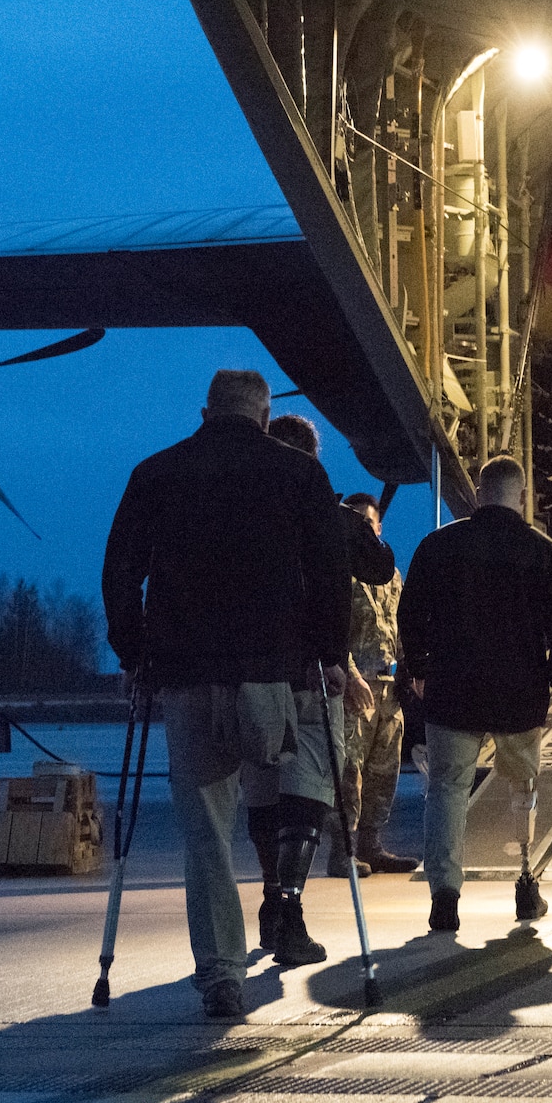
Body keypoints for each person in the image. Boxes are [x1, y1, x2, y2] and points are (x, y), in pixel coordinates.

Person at [102, 370, 351, 1018]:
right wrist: (331, 655)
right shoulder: (300, 475)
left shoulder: (158, 472)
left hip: (188, 677)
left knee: (207, 829)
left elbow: (120, 571)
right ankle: (285, 902)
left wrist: (133, 654)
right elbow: (331, 571)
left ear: (205, 409)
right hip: (272, 676)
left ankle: (221, 973)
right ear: (266, 415)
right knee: (289, 778)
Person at [398, 456, 552, 933]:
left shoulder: (437, 546)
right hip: (518, 693)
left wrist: (417, 667)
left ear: (479, 492)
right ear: (521, 496)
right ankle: (525, 884)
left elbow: (411, 612)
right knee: (523, 787)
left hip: (452, 689)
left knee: (446, 790)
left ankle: (445, 895)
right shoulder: (544, 553)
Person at [261, 412, 395, 885]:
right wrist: (354, 525)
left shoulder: (242, 512)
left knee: (262, 789)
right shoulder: (331, 519)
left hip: (254, 670)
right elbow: (379, 564)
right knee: (318, 783)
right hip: (317, 671)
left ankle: (272, 891)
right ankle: (289, 903)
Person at [338, 493, 419, 877]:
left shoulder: (391, 575)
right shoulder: (340, 572)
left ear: (379, 528)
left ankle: (372, 844)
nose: (364, 531)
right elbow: (335, 633)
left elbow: (400, 625)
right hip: (358, 685)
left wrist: (412, 671)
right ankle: (342, 851)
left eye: (369, 525)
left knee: (384, 770)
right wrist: (351, 676)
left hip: (388, 686)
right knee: (349, 770)